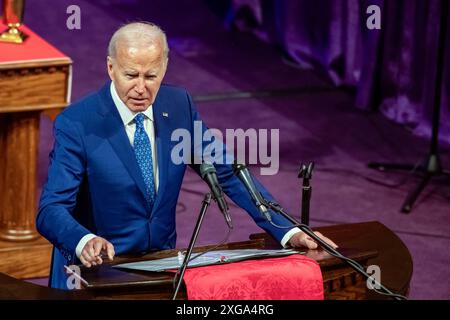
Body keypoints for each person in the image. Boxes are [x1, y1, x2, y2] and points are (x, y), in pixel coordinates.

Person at [37, 22, 337, 290]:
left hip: (161, 267)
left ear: (164, 68)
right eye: (131, 75)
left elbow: (228, 172)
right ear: (110, 68)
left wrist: (289, 231)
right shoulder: (77, 123)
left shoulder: (178, 105)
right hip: (99, 272)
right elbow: (51, 209)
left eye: (151, 76)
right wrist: (84, 240)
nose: (141, 88)